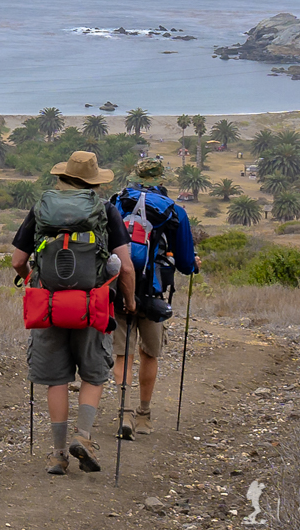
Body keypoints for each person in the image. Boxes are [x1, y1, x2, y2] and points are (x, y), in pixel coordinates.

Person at [11, 150, 136, 476]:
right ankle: (83, 436)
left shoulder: (41, 209)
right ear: (93, 182)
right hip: (92, 305)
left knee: (56, 379)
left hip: (48, 305)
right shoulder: (105, 210)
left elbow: (16, 260)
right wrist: (130, 302)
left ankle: (57, 454)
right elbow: (125, 266)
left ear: (64, 177)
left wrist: (31, 281)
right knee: (93, 374)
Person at [109, 163, 199, 437]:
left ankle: (123, 414)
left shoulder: (116, 203)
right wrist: (192, 265)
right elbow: (184, 262)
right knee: (150, 352)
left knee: (123, 352)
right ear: (161, 180)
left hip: (118, 289)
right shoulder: (174, 211)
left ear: (133, 177)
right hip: (153, 291)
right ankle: (144, 414)